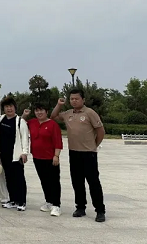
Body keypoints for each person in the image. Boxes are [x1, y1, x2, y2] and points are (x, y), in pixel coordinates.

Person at [51, 89, 106, 222]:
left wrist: (94, 145)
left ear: (83, 100)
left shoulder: (90, 113)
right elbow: (53, 116)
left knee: (93, 182)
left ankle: (100, 210)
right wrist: (59, 105)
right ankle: (80, 207)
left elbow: (101, 131)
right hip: (74, 152)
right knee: (77, 181)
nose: (74, 101)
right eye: (72, 99)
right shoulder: (68, 114)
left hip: (88, 153)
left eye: (77, 99)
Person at [23, 103, 63, 217]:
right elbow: (20, 124)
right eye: (37, 110)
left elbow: (58, 141)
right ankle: (49, 201)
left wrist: (56, 156)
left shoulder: (52, 124)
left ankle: (56, 205)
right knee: (44, 180)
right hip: (37, 157)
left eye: (41, 110)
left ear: (46, 112)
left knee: (54, 181)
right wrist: (24, 115)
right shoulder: (32, 122)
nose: (39, 113)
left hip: (50, 158)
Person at [0, 97, 29, 211]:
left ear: (15, 107)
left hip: (16, 154)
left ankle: (22, 201)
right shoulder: (0, 119)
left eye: (11, 106)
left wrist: (24, 152)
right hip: (3, 154)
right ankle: (13, 200)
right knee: (8, 177)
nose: (9, 109)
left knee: (18, 178)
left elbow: (25, 137)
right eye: (6, 106)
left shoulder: (20, 121)